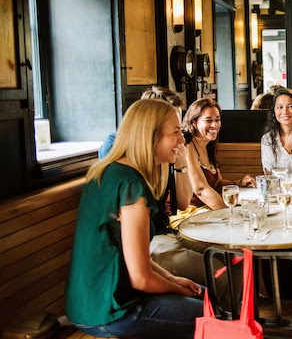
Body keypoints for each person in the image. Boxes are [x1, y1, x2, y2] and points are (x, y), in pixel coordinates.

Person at [66, 99, 203, 339]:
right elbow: (141, 279)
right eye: (175, 132)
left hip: (88, 303)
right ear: (151, 136)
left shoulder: (105, 171)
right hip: (111, 310)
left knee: (204, 295)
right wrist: (177, 287)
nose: (182, 140)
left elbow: (124, 253)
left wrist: (171, 277)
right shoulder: (131, 185)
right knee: (216, 316)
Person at [183, 97, 255, 209]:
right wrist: (230, 214)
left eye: (217, 120)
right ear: (194, 121)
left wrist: (238, 183)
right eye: (208, 120)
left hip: (206, 208)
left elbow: (217, 184)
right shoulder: (188, 146)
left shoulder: (208, 145)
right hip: (190, 211)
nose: (215, 125)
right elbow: (200, 190)